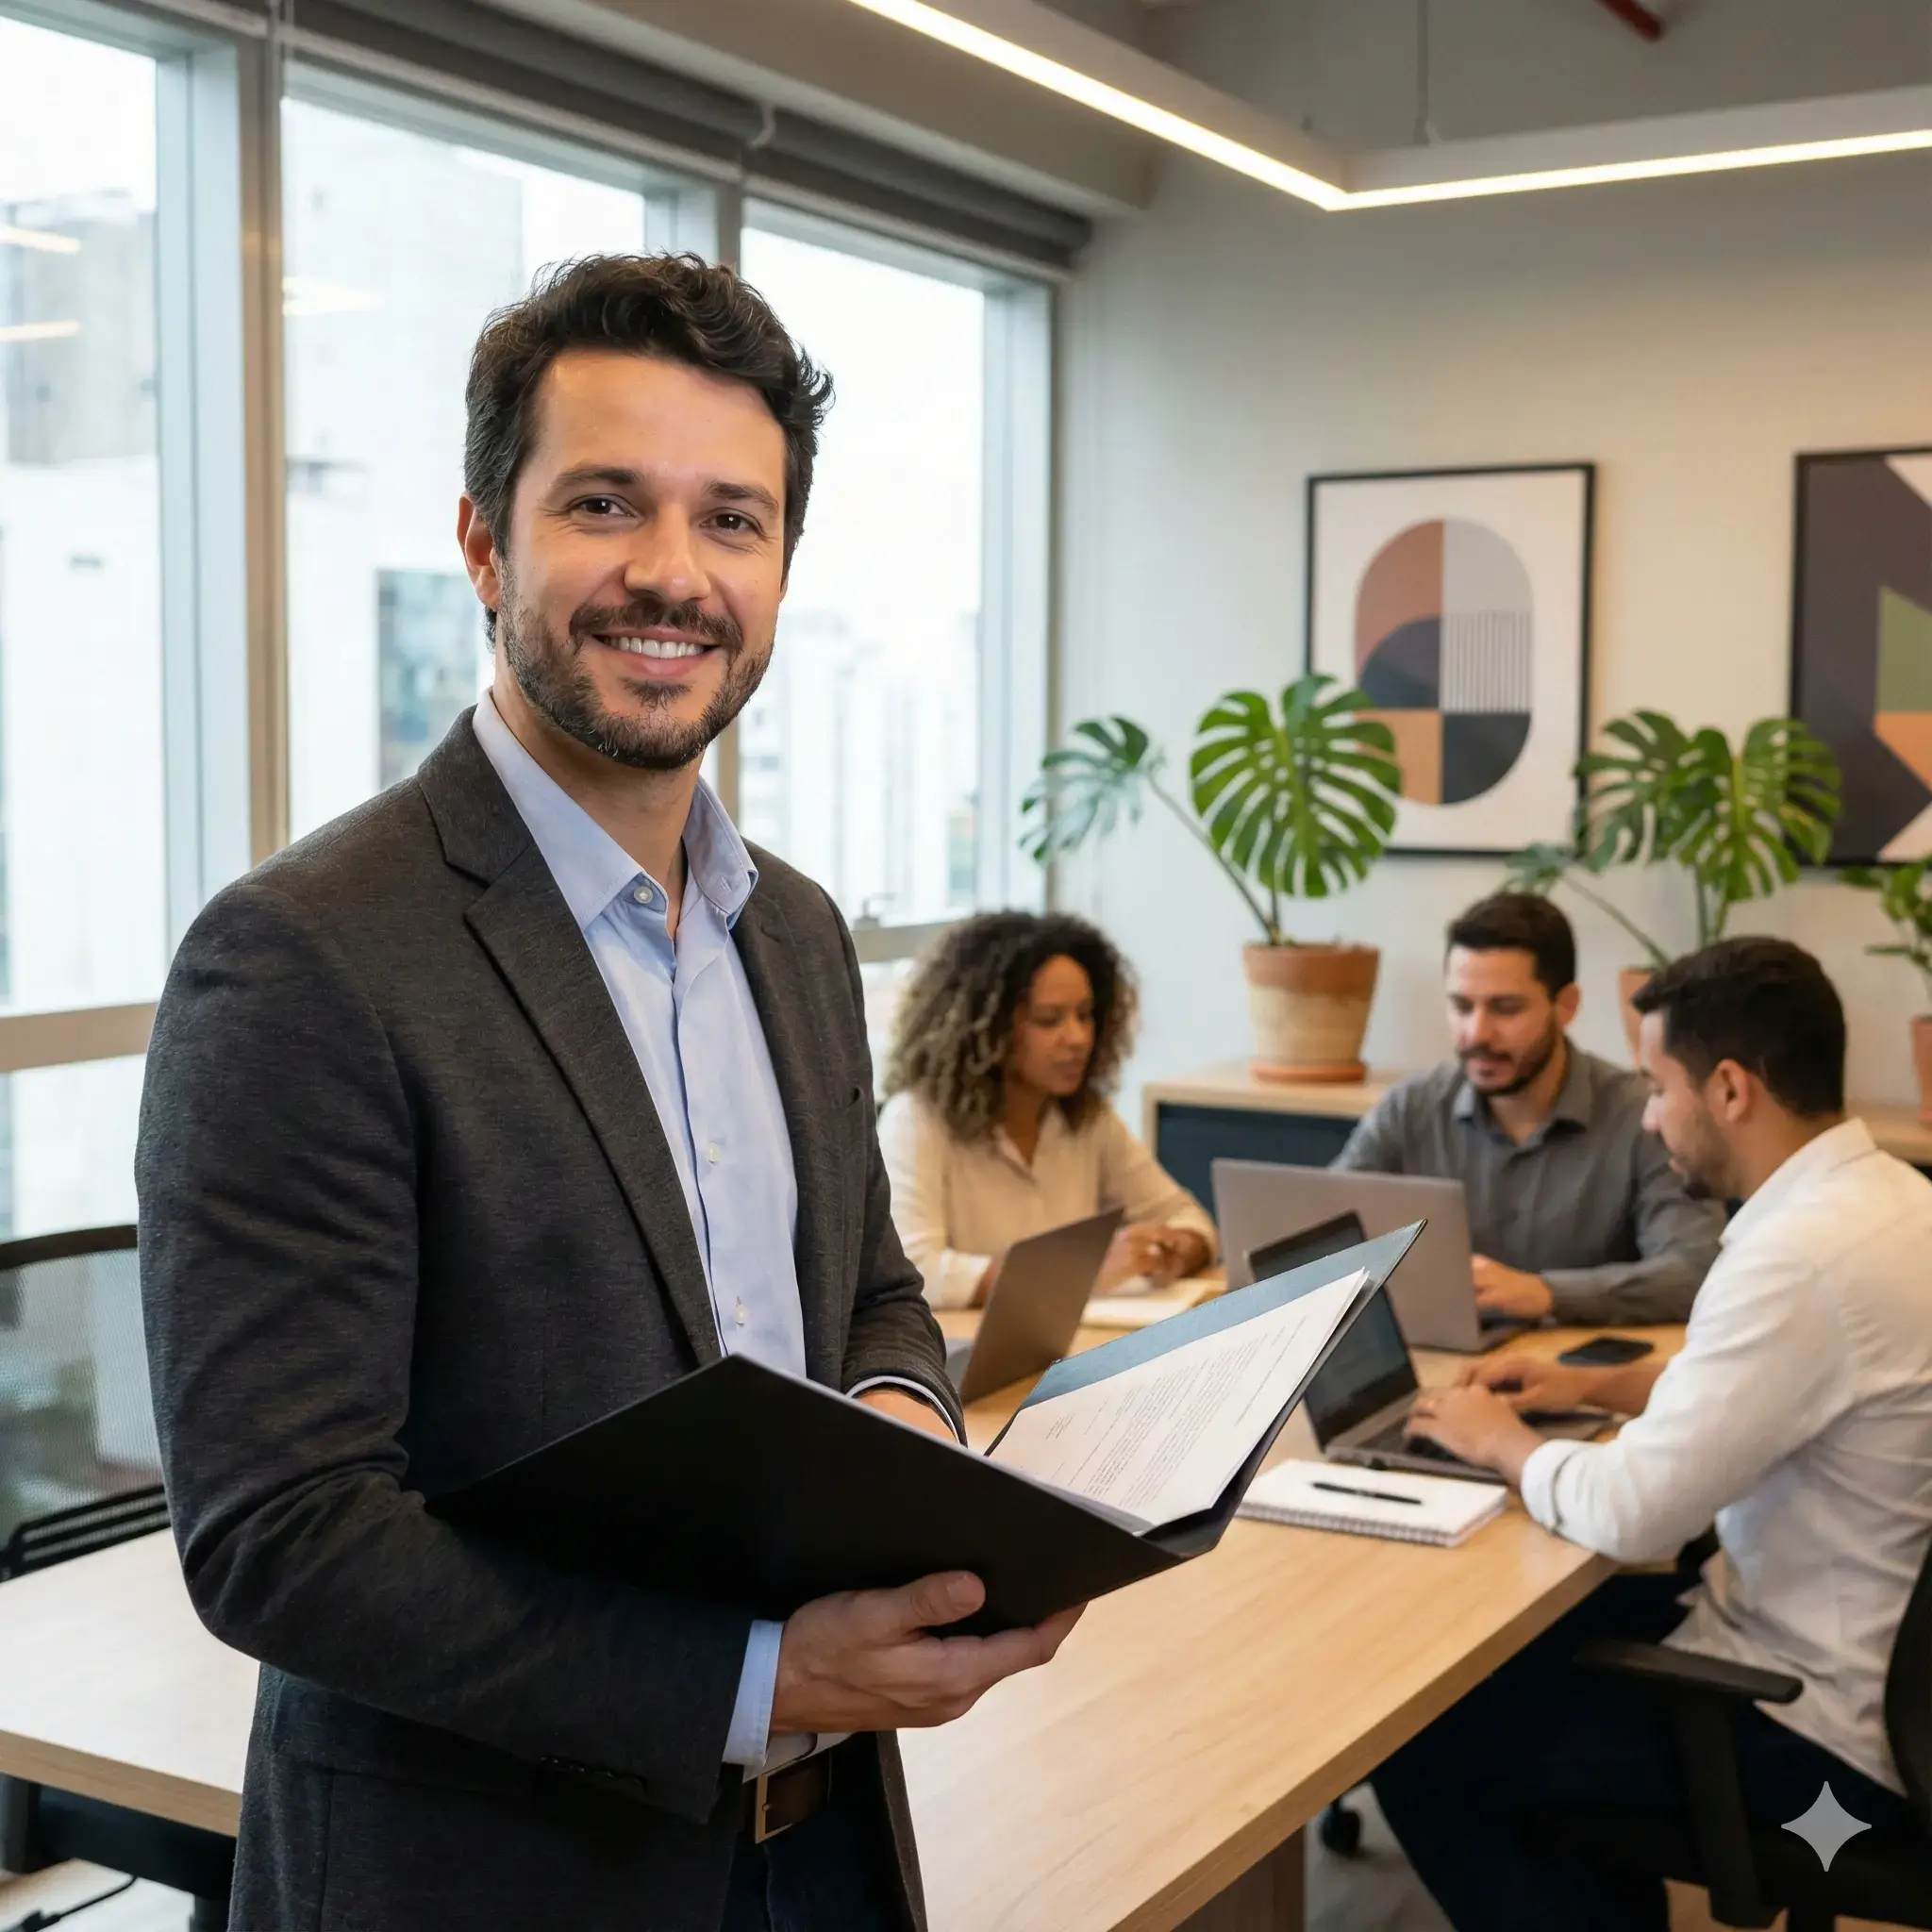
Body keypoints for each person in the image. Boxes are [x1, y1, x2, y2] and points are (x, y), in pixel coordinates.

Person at [135, 255, 1082, 1932]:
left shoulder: (794, 932)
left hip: (829, 1853)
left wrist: (907, 1435)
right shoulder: (304, 955)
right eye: (604, 503)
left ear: (781, 568)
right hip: (488, 1877)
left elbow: (869, 1285)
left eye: (733, 520)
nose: (672, 573)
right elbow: (281, 1533)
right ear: (483, 542)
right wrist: (749, 1676)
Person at [1374, 938, 1932, 1932]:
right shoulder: (1893, 1202)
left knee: (1417, 1741)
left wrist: (1499, 1440)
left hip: (1820, 1749)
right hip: (1876, 1684)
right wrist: (1605, 1384)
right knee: (1495, 1663)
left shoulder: (1794, 1257)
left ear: (1729, 1089)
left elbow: (1629, 1515)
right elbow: (1799, 1387)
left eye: (1657, 1086)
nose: (1645, 1114)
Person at [1334, 891, 1722, 1325]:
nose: (1477, 1033)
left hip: (1572, 1363)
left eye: (1506, 1009)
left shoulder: (1639, 1116)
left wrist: (1548, 1294)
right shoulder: (1410, 1108)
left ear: (1566, 1005)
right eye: (1461, 1006)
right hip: (1442, 1356)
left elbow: (1696, 1269)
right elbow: (1323, 1240)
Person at [876, 911, 1217, 1308]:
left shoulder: (1088, 1117)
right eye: (1049, 1020)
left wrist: (1170, 1251)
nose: (1078, 1037)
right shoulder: (915, 1120)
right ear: (985, 1029)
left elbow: (1189, 1219)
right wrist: (1077, 1272)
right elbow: (914, 1271)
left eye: (1085, 1015)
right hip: (963, 1346)